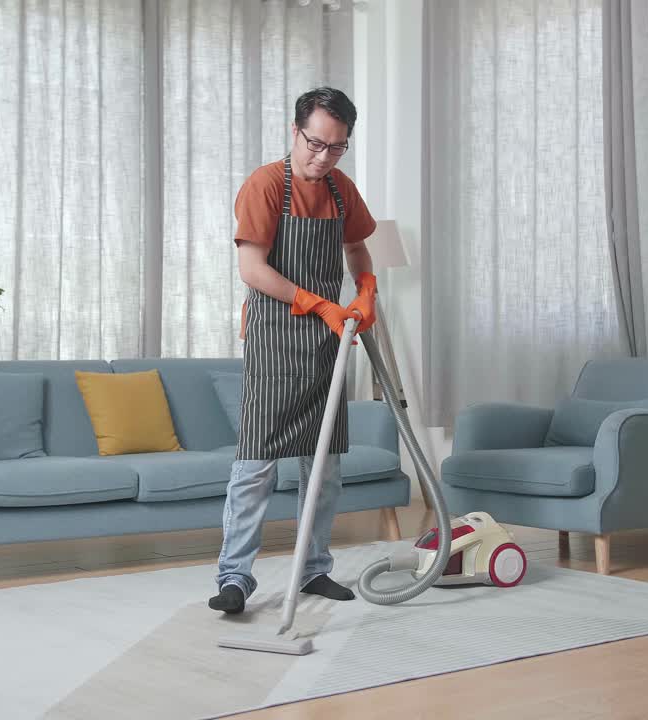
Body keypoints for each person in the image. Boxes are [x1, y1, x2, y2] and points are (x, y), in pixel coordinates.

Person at [210, 87, 379, 615]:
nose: (322, 156)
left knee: (324, 464)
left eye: (336, 147)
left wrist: (367, 289)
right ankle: (235, 577)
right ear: (295, 131)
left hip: (329, 341)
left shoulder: (341, 189)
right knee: (256, 462)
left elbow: (356, 247)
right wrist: (315, 302)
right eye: (315, 143)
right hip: (275, 336)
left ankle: (313, 570)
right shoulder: (264, 186)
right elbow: (252, 269)